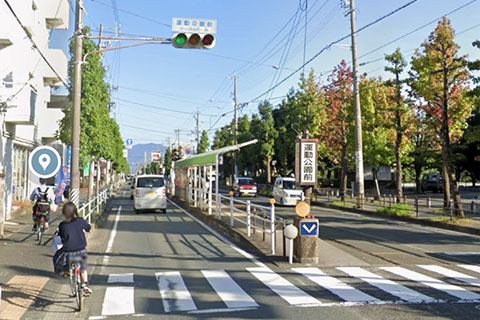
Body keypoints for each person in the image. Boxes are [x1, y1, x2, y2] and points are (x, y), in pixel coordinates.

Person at [58, 202, 92, 296]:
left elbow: (61, 236)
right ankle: (85, 284)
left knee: (61, 257)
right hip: (81, 250)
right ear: (75, 211)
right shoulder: (80, 221)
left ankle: (67, 270)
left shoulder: (62, 225)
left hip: (68, 251)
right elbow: (88, 227)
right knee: (83, 268)